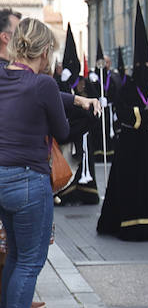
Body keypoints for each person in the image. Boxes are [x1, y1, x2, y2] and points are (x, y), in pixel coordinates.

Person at [1, 19, 99, 308]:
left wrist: (76, 98)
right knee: (30, 260)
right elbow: (62, 131)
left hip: (2, 179)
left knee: (14, 255)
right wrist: (89, 117)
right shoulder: (42, 83)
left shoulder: (3, 75)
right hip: (29, 180)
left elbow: (43, 93)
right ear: (45, 52)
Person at [97, 2, 148, 241]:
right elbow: (123, 113)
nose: (145, 70)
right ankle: (131, 224)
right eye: (141, 67)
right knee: (132, 184)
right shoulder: (127, 87)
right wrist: (144, 113)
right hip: (132, 146)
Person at [54, 26, 101, 206]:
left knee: (86, 158)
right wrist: (62, 83)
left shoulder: (84, 82)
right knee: (68, 159)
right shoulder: (60, 82)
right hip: (70, 127)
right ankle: (66, 193)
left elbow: (93, 97)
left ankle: (87, 192)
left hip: (84, 129)